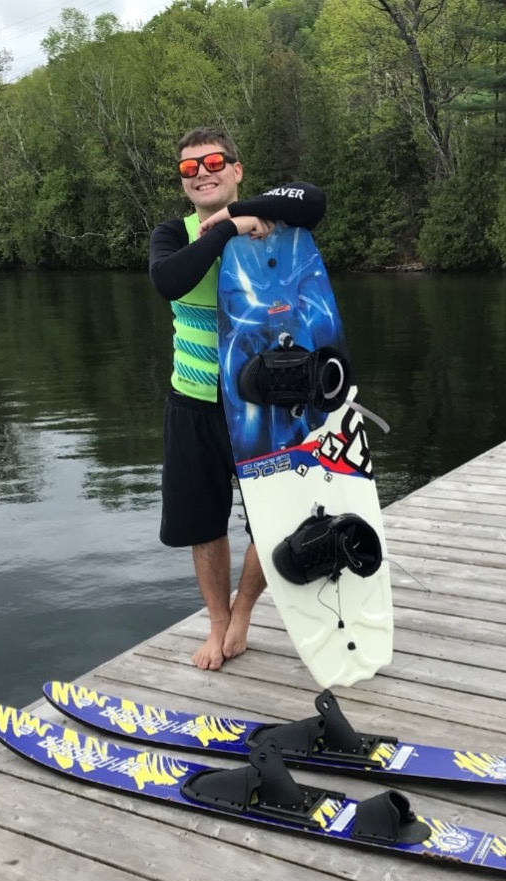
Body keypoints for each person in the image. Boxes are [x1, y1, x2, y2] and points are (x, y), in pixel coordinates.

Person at [149, 126, 326, 671]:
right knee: (203, 523)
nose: (202, 172)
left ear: (237, 168)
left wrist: (238, 215)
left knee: (273, 520)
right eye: (189, 168)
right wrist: (223, 232)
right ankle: (218, 622)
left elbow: (312, 199)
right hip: (194, 403)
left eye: (214, 161)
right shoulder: (172, 233)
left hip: (266, 406)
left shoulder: (274, 220)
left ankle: (244, 610)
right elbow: (169, 282)